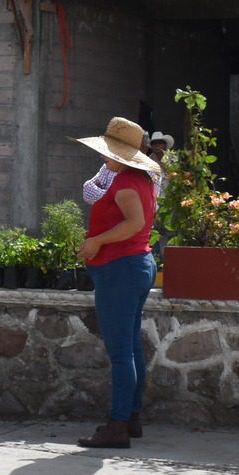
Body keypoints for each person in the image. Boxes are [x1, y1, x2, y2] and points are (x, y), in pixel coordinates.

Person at [74, 117, 161, 450]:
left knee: (121, 352)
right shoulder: (140, 180)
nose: (103, 157)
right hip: (136, 264)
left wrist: (96, 242)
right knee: (131, 347)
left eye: (109, 152)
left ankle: (118, 424)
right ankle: (130, 417)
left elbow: (134, 223)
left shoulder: (125, 184)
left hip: (119, 268)